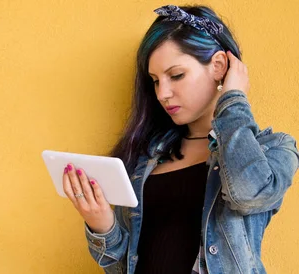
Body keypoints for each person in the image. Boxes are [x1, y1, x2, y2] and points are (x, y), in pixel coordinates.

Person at [61, 4, 299, 274]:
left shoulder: (274, 149)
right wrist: (102, 225)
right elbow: (122, 267)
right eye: (154, 80)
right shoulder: (146, 159)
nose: (162, 93)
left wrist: (233, 98)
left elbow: (248, 194)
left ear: (219, 66)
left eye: (176, 76)